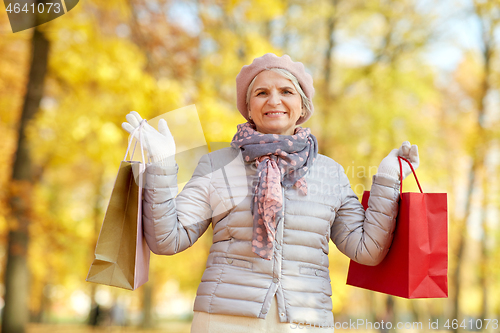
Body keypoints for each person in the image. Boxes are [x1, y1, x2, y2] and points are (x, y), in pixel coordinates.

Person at [122, 53, 419, 333]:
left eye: (286, 92)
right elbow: (166, 239)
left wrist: (388, 179)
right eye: (261, 93)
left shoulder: (331, 173)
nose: (274, 100)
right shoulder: (217, 165)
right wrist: (161, 166)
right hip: (226, 320)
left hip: (306, 321)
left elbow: (366, 250)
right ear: (249, 107)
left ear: (302, 108)